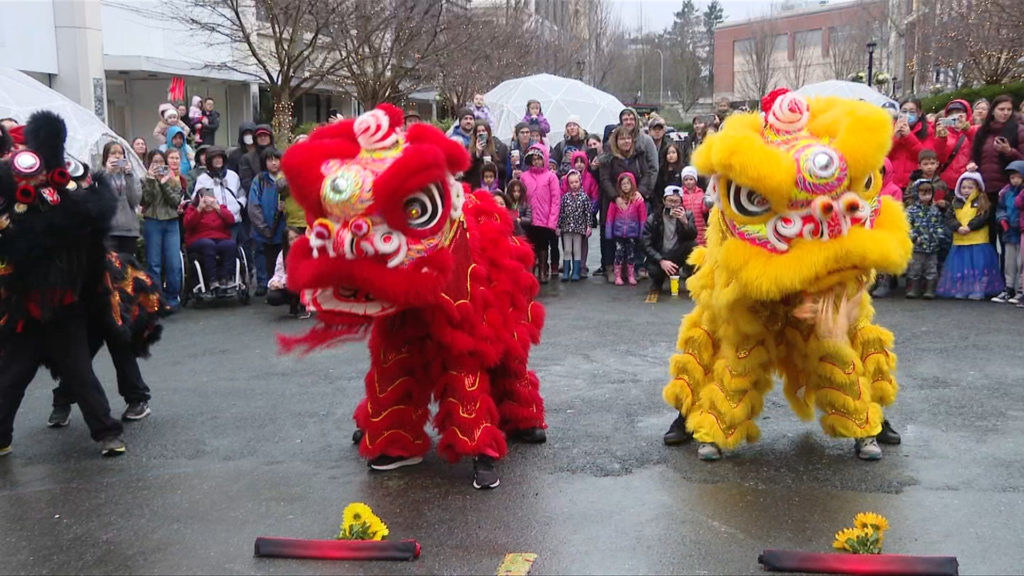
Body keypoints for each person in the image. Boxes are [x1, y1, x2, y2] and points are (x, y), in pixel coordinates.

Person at [937, 171, 1003, 300]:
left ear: (978, 187)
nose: (966, 190)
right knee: (961, 268)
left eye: (970, 187)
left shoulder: (982, 201)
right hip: (960, 241)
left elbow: (983, 216)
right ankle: (963, 288)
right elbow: (949, 217)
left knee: (978, 267)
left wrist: (970, 226)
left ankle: (978, 289)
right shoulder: (956, 202)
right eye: (963, 187)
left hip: (978, 241)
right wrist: (957, 227)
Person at [968, 95, 1024, 244]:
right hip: (985, 190)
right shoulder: (983, 131)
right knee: (988, 233)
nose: (1005, 113)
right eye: (1001, 109)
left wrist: (1009, 151)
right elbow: (974, 154)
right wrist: (972, 164)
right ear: (993, 111)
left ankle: (1008, 266)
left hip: (1009, 191)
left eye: (1009, 109)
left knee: (1008, 235)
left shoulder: (1018, 130)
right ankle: (991, 266)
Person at [599, 126, 648, 282]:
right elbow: (605, 179)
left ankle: (630, 268)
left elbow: (646, 175)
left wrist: (639, 192)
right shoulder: (608, 157)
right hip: (613, 200)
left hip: (633, 201)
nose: (626, 141)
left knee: (632, 236)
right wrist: (616, 197)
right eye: (622, 138)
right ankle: (610, 268)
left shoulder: (638, 155)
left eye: (628, 138)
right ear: (616, 141)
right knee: (611, 235)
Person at [141, 149, 184, 311]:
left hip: (171, 222)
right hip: (153, 221)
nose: (158, 165)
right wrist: (152, 180)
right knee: (154, 263)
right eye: (155, 162)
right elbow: (146, 200)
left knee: (173, 262)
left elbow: (175, 201)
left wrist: (165, 182)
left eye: (161, 162)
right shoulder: (144, 179)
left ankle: (173, 297)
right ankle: (156, 299)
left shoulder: (173, 179)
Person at [642, 186, 698, 302]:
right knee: (655, 271)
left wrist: (685, 223)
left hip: (678, 253)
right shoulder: (653, 218)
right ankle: (658, 281)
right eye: (670, 201)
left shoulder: (687, 215)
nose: (673, 205)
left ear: (681, 202)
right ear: (664, 201)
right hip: (660, 255)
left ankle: (688, 275)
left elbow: (693, 236)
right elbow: (645, 244)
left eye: (676, 202)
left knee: (694, 247)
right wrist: (661, 260)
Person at [248, 147, 287, 296]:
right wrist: (262, 227)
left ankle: (280, 283)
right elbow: (253, 205)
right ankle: (263, 282)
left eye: (276, 159)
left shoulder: (285, 178)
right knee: (261, 254)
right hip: (263, 226)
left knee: (280, 256)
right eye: (270, 160)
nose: (274, 163)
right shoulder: (259, 180)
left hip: (282, 226)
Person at [184, 188, 238, 295]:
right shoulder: (193, 209)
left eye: (210, 200)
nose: (208, 204)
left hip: (220, 238)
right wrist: (199, 208)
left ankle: (225, 278)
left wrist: (217, 207)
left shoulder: (220, 208)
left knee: (230, 245)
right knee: (208, 245)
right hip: (199, 240)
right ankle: (212, 280)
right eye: (205, 201)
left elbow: (231, 220)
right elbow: (187, 224)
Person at [520, 144, 560, 284]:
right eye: (534, 159)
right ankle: (531, 271)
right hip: (529, 218)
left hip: (545, 218)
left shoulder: (551, 177)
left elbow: (556, 200)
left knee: (543, 245)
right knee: (530, 245)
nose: (536, 161)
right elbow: (521, 196)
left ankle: (543, 270)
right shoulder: (524, 176)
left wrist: (552, 221)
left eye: (539, 158)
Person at [904, 179, 946, 299]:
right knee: (914, 268)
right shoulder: (911, 210)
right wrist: (914, 237)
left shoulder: (934, 210)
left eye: (929, 193)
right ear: (917, 193)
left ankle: (930, 290)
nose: (926, 197)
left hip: (932, 246)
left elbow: (939, 225)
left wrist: (938, 236)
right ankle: (914, 289)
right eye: (923, 193)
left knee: (931, 269)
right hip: (917, 246)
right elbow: (906, 226)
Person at [605, 172, 647, 286]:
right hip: (618, 233)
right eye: (623, 184)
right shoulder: (615, 201)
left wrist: (642, 233)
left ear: (632, 184)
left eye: (628, 183)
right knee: (618, 254)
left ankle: (631, 275)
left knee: (631, 255)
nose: (626, 186)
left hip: (632, 233)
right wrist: (609, 233)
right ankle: (618, 276)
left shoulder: (638, 201)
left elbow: (642, 217)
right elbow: (610, 217)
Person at [101, 141, 142, 256]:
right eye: (113, 153)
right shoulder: (101, 176)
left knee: (128, 269)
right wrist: (108, 174)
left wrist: (129, 175)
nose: (117, 156)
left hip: (128, 230)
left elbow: (135, 200)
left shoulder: (131, 176)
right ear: (106, 158)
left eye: (120, 153)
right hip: (109, 230)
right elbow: (100, 200)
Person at [992, 160, 1024, 304]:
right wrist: (1002, 219)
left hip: (1021, 229)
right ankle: (1009, 287)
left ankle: (1021, 289)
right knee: (1009, 262)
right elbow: (1000, 208)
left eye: (1018, 177)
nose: (1015, 180)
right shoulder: (1005, 192)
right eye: (1012, 177)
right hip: (1009, 230)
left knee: (1021, 262)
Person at [888, 97, 937, 189]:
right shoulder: (890, 128)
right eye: (904, 111)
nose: (907, 115)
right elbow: (883, 156)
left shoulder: (927, 131)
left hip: (914, 184)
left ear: (919, 113)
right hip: (892, 183)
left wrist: (909, 137)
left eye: (912, 112)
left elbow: (926, 157)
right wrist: (895, 138)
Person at [194, 147, 244, 233]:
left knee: (233, 245)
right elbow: (196, 199)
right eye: (215, 158)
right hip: (214, 223)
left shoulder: (233, 175)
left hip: (234, 220)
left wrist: (239, 205)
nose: (218, 160)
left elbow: (241, 194)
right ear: (209, 160)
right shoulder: (202, 179)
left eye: (220, 157)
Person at [934, 99, 977, 191]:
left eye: (959, 113)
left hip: (968, 183)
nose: (955, 116)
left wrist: (966, 129)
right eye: (951, 113)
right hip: (946, 184)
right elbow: (939, 159)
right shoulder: (944, 134)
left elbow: (978, 145)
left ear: (967, 114)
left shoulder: (974, 130)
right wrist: (941, 139)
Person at [558, 170, 591, 282]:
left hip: (579, 228)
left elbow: (588, 213)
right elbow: (561, 213)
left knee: (577, 250)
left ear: (580, 182)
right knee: (567, 250)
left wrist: (589, 226)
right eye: (571, 182)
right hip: (566, 228)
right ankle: (566, 272)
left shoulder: (584, 197)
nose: (574, 184)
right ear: (568, 183)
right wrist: (558, 226)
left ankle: (576, 272)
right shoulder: (565, 197)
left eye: (576, 182)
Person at [266, 228, 307, 317]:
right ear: (286, 242)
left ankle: (305, 304)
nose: (295, 241)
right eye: (291, 239)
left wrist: (283, 282)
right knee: (272, 297)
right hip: (289, 284)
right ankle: (294, 302)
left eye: (297, 237)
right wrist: (274, 282)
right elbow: (278, 273)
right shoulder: (283, 253)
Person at [465, 120, 506, 188]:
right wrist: (477, 154)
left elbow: (503, 171)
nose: (481, 133)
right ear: (475, 134)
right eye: (479, 131)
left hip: (493, 187)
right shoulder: (468, 148)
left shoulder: (498, 147)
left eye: (483, 131)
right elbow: (467, 171)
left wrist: (491, 163)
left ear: (488, 133)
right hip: (476, 187)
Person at [678, 165, 710, 246]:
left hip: (700, 226)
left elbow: (704, 210)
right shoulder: (680, 194)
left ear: (695, 180)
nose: (688, 182)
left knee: (701, 247)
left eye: (691, 179)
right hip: (687, 226)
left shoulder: (701, 193)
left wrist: (708, 204)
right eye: (686, 179)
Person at [655, 142, 684, 210]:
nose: (671, 155)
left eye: (673, 153)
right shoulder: (661, 170)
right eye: (668, 153)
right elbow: (658, 189)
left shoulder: (682, 169)